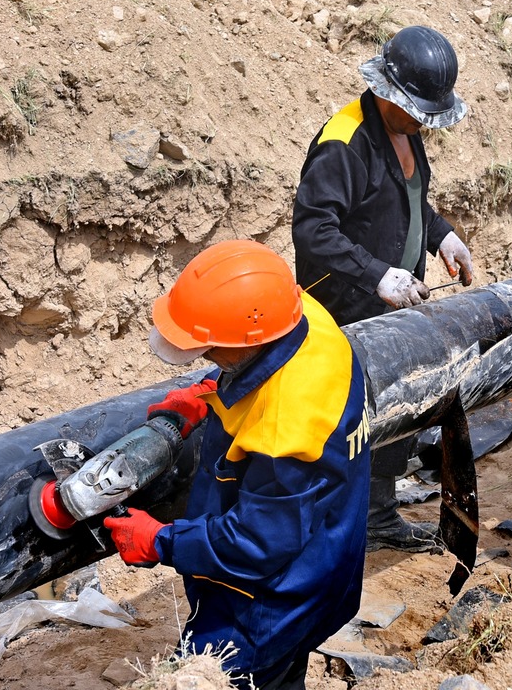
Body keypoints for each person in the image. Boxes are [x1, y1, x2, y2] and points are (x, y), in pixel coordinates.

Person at [103, 239, 371, 690]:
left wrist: (162, 542)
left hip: (271, 600)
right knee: (285, 670)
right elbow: (256, 364)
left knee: (228, 674)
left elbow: (257, 542)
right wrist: (210, 393)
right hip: (326, 553)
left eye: (209, 349)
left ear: (248, 339)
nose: (205, 355)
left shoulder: (289, 428)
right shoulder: (304, 316)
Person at [291, 25, 474, 553]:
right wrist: (377, 274)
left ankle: (377, 514)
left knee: (395, 401)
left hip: (390, 302)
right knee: (349, 416)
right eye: (416, 108)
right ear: (387, 92)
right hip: (345, 305)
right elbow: (313, 229)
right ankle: (340, 523)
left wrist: (441, 235)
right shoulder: (345, 142)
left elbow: (411, 200)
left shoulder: (405, 130)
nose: (423, 121)